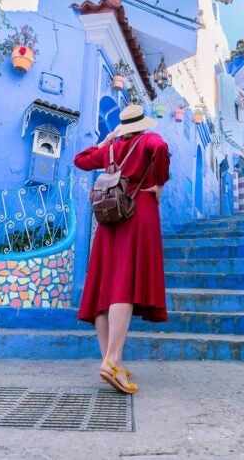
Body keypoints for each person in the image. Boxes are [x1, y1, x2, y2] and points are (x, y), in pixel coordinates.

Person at [74, 104, 170, 394]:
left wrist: (104, 142)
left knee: (106, 285)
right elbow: (162, 147)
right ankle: (112, 361)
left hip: (109, 215)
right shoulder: (150, 140)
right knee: (125, 285)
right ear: (142, 124)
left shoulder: (112, 149)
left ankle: (109, 360)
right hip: (137, 211)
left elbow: (81, 160)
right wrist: (159, 183)